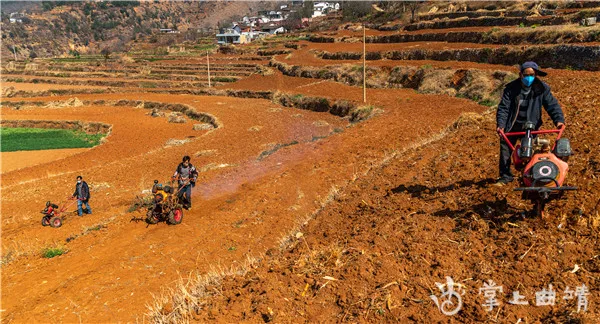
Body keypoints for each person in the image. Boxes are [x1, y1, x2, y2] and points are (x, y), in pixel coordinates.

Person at [495, 61, 565, 186]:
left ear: (536, 75)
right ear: (520, 74)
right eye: (526, 75)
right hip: (512, 124)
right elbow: (504, 108)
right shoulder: (511, 89)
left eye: (532, 75)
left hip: (531, 124)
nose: (529, 78)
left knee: (529, 150)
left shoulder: (542, 89)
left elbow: (552, 105)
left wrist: (559, 120)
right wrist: (501, 125)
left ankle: (531, 175)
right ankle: (505, 176)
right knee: (505, 148)